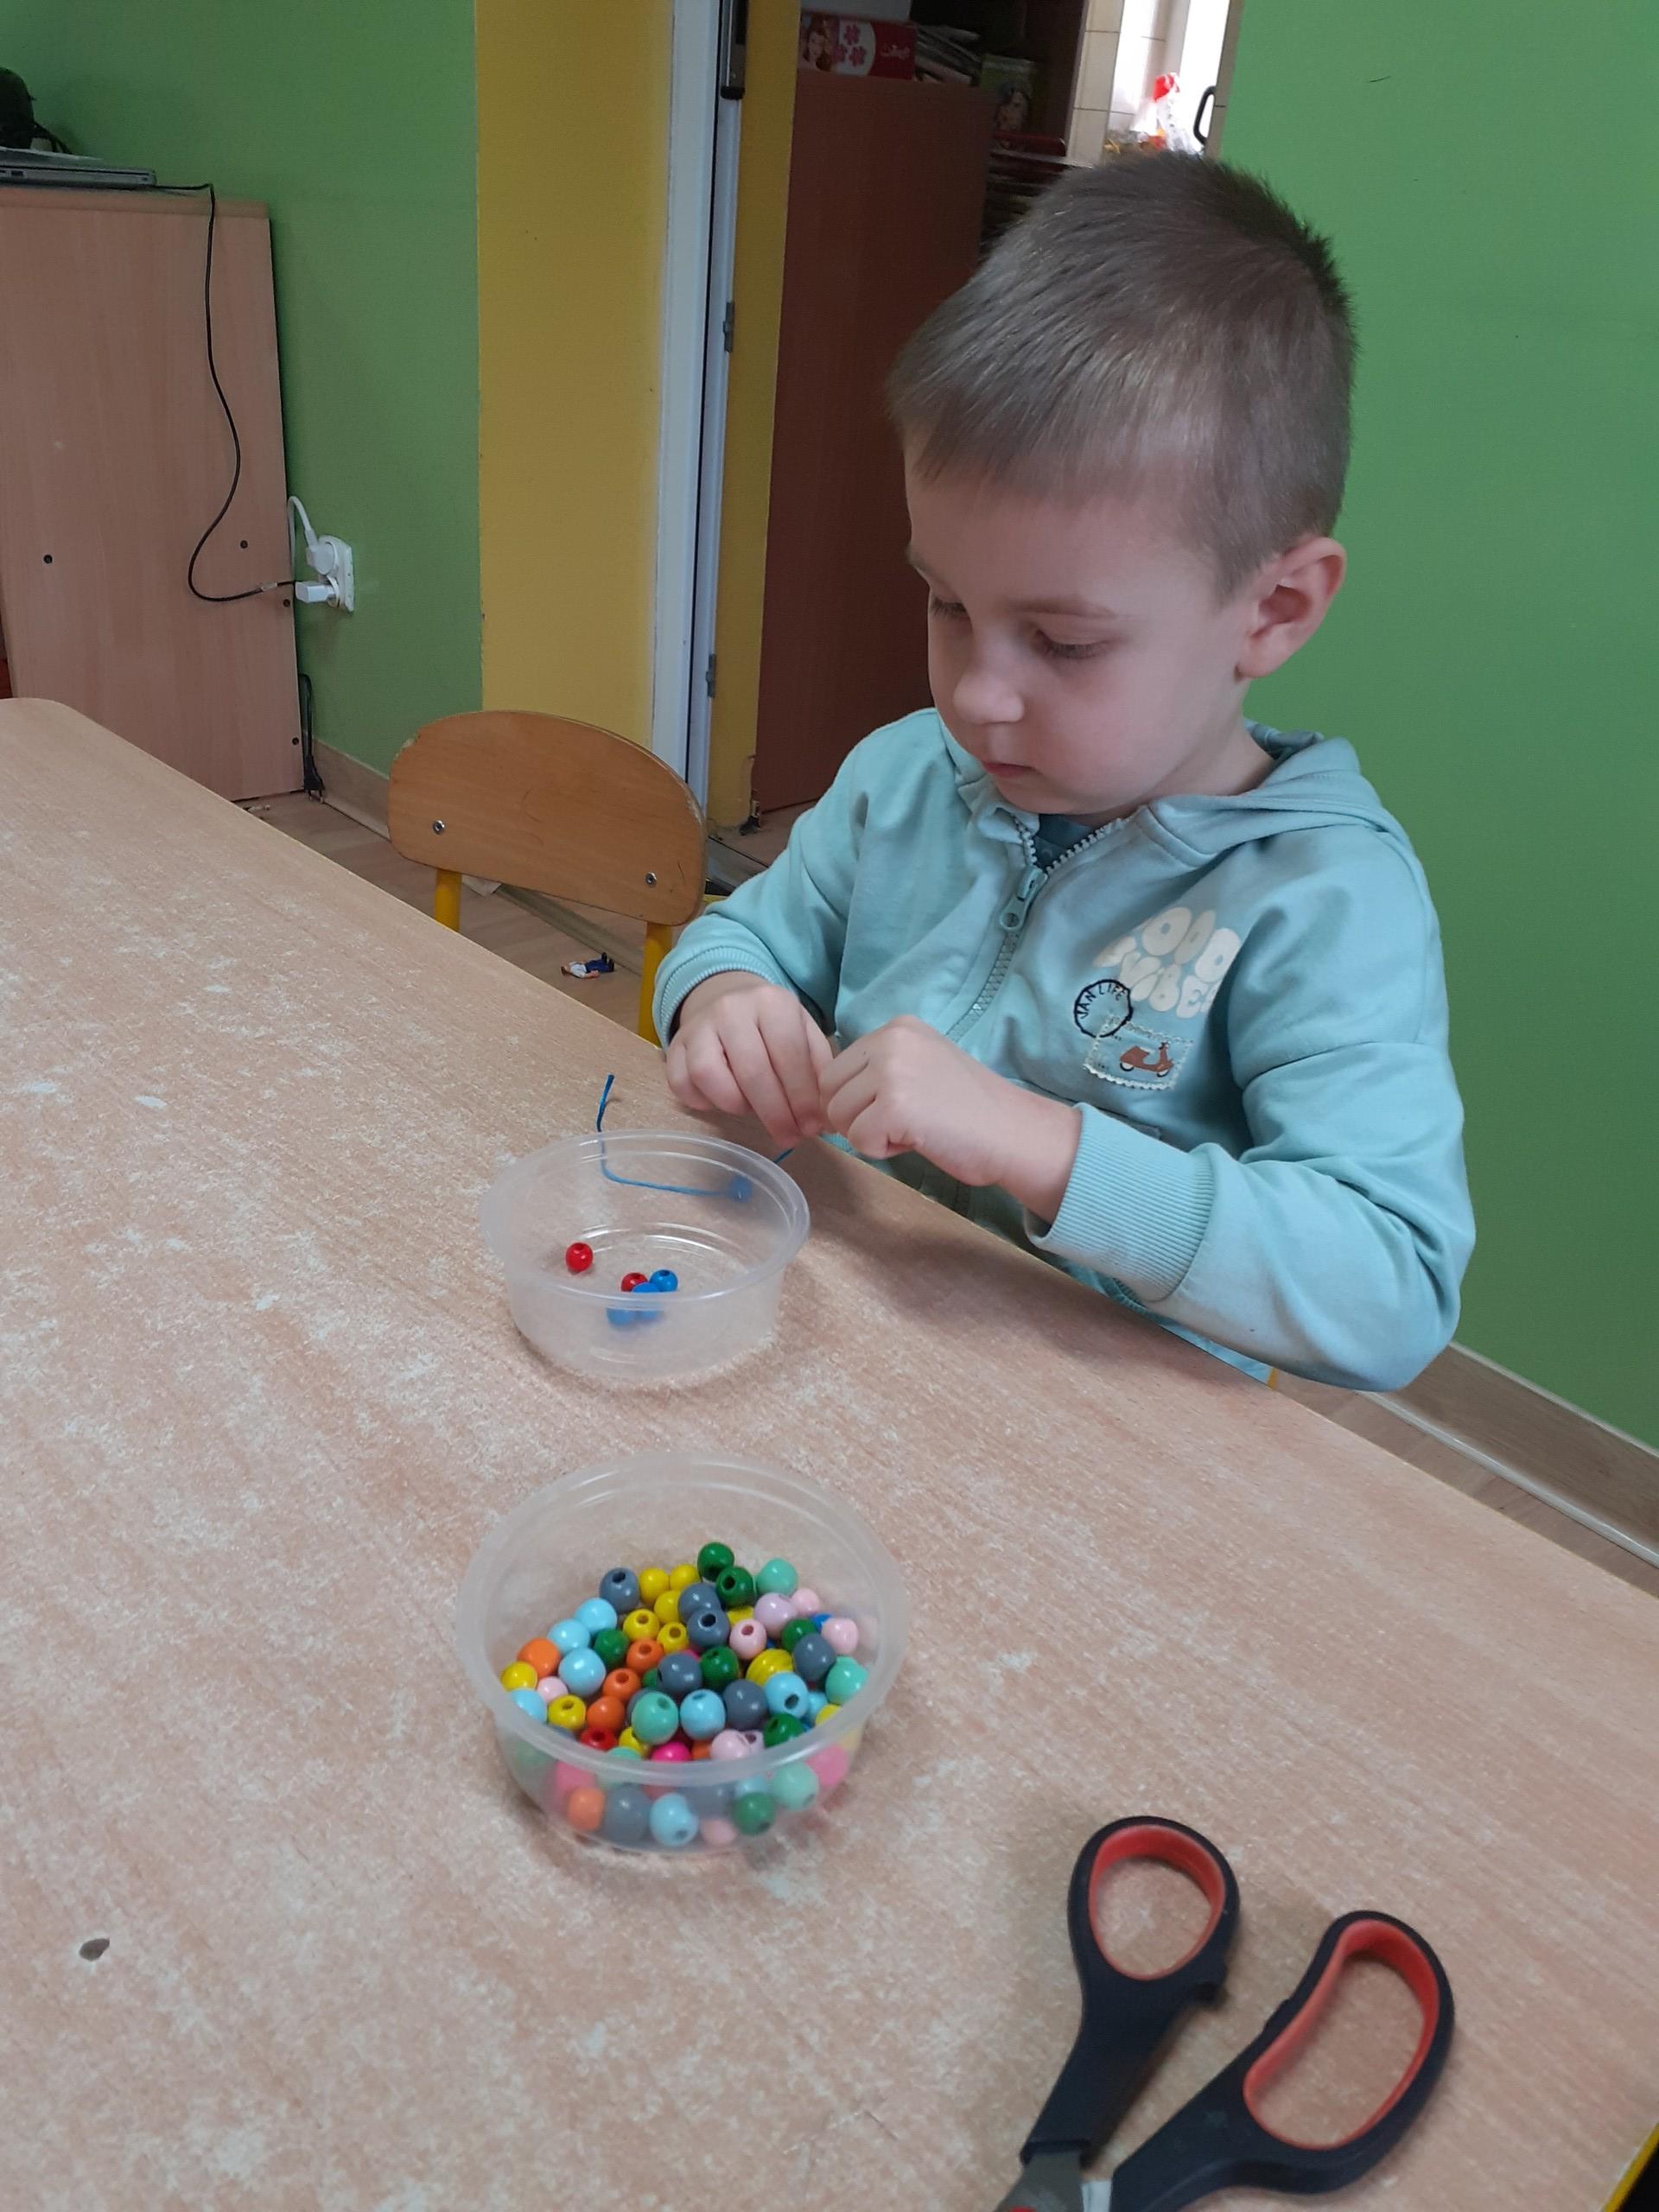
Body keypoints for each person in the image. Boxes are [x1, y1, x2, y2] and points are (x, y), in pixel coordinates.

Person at [653, 153, 1473, 1390]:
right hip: (852, 1357)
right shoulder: (906, 775)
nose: (976, 695)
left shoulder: (1324, 902)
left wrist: (1042, 1145)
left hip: (1103, 1442)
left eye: (1065, 642)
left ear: (1275, 609)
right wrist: (723, 1002)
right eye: (947, 604)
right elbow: (740, 938)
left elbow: (1391, 1286)